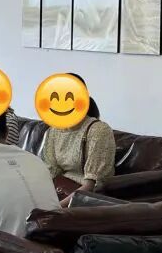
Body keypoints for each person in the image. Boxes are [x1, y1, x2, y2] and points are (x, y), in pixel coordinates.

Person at [42, 73, 115, 206]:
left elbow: (91, 186)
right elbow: (50, 174)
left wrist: (55, 208)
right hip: (60, 191)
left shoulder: (99, 130)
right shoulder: (53, 131)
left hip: (87, 198)